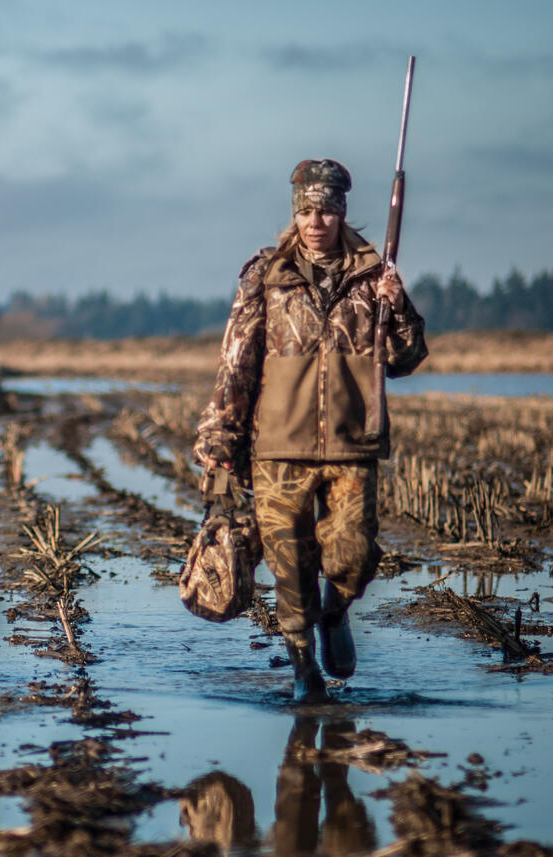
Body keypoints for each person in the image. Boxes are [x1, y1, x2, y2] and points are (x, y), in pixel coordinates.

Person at [193, 158, 427, 703]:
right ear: (294, 213)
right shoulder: (266, 275)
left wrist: (400, 306)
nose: (315, 220)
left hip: (353, 444)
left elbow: (405, 358)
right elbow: (236, 365)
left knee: (353, 556)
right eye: (306, 210)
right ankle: (303, 673)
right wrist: (220, 444)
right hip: (277, 447)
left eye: (325, 210)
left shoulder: (375, 277)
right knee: (288, 565)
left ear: (341, 213)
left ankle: (335, 609)